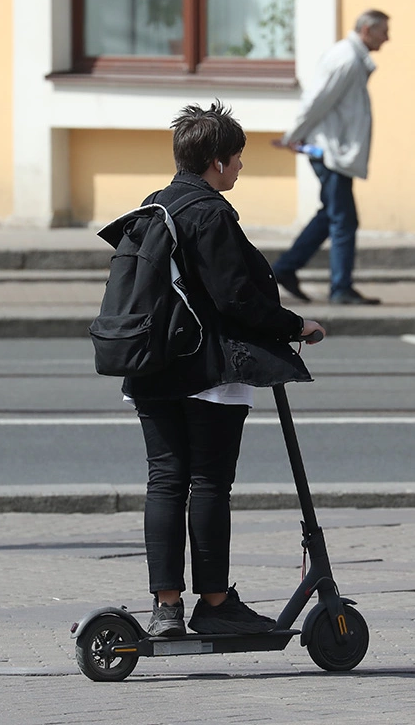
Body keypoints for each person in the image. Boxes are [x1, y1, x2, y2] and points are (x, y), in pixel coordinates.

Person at [124, 101, 326, 637]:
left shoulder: (152, 207)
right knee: (209, 481)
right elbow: (236, 297)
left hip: (150, 366)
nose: (239, 169)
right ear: (216, 162)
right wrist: (294, 325)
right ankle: (214, 603)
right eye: (236, 160)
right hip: (205, 370)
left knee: (164, 481)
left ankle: (165, 608)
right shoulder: (210, 214)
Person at [270, 9, 390, 306]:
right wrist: (292, 136)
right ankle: (340, 288)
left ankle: (285, 269)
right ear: (366, 30)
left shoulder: (351, 57)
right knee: (343, 220)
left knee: (332, 215)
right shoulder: (346, 59)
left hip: (335, 151)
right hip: (330, 152)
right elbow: (316, 100)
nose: (387, 38)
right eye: (383, 31)